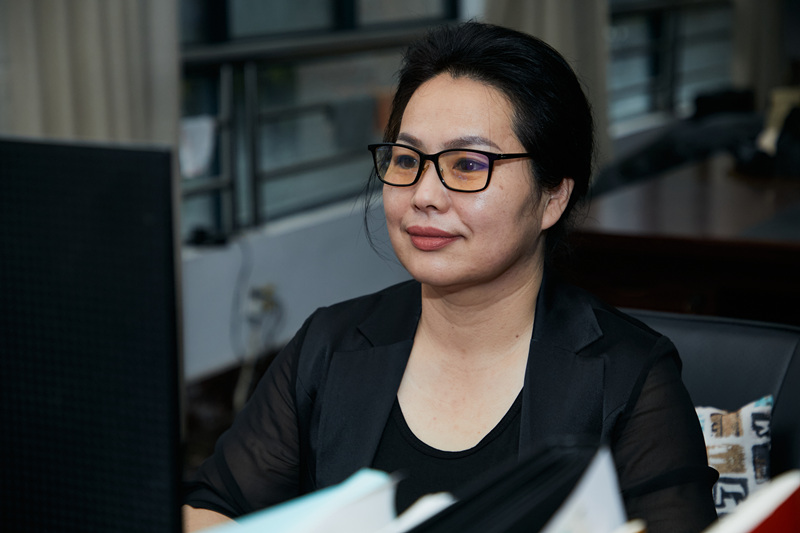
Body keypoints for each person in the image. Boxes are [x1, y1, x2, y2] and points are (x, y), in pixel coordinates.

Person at [183, 22, 718, 532]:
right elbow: (215, 506)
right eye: (406, 159)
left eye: (467, 164)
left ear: (552, 196)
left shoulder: (630, 374)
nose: (424, 194)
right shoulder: (329, 345)